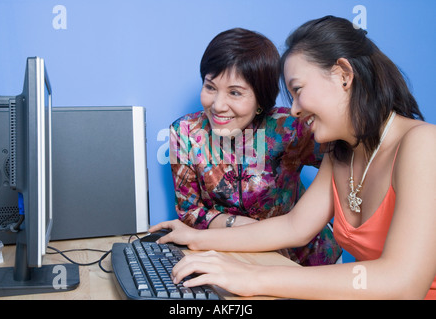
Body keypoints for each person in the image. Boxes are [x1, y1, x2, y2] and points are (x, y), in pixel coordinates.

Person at [152, 16, 436, 299]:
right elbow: (294, 227)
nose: (295, 110)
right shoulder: (341, 152)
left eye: (298, 91)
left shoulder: (423, 144)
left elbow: (404, 283)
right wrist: (197, 238)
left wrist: (253, 277)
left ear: (343, 76)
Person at [168, 27, 342, 266]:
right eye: (210, 87)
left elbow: (347, 163)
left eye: (235, 93)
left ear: (261, 98)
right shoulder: (185, 132)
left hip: (306, 261)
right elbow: (189, 211)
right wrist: (244, 226)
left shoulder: (291, 128)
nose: (218, 105)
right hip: (234, 258)